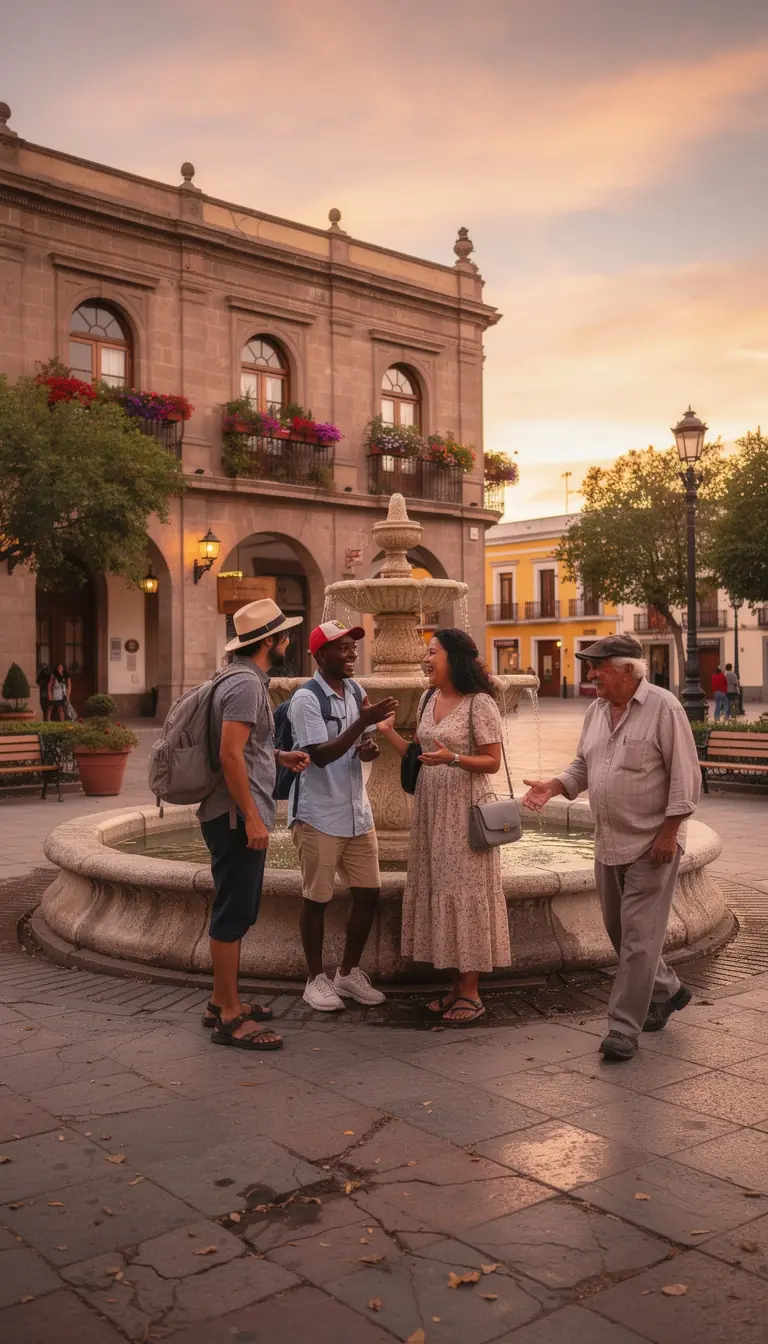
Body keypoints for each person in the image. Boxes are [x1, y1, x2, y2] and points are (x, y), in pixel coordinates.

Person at [522, 634, 701, 1062]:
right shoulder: (596, 711)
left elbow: (685, 777)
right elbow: (584, 764)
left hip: (651, 844)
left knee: (638, 940)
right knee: (621, 935)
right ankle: (669, 990)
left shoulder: (665, 708)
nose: (590, 675)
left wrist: (669, 834)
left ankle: (622, 1029)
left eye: (597, 667)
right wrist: (555, 785)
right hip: (608, 841)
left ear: (626, 670)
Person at [381, 629, 511, 1024]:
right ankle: (454, 985)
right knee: (438, 888)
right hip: (430, 808)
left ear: (453, 658)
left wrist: (454, 759)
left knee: (464, 891)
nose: (425, 658)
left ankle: (471, 992)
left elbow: (492, 762)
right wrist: (389, 733)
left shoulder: (480, 704)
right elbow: (420, 757)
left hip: (463, 810)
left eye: (432, 651)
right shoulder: (427, 698)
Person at [197, 599, 310, 1050]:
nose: (288, 641)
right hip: (234, 815)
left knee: (234, 907)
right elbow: (228, 754)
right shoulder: (246, 685)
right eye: (284, 636)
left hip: (226, 811)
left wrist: (276, 756)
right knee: (234, 912)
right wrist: (252, 817)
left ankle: (220, 1000)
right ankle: (228, 1016)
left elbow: (241, 747)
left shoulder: (234, 678)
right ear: (268, 642)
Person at [288, 621, 398, 1011]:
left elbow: (356, 744)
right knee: (316, 898)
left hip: (357, 812)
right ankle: (314, 979)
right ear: (320, 655)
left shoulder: (354, 690)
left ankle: (348, 974)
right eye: (341, 648)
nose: (352, 653)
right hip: (318, 813)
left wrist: (367, 747)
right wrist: (361, 725)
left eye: (353, 647)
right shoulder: (306, 699)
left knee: (368, 893)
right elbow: (318, 754)